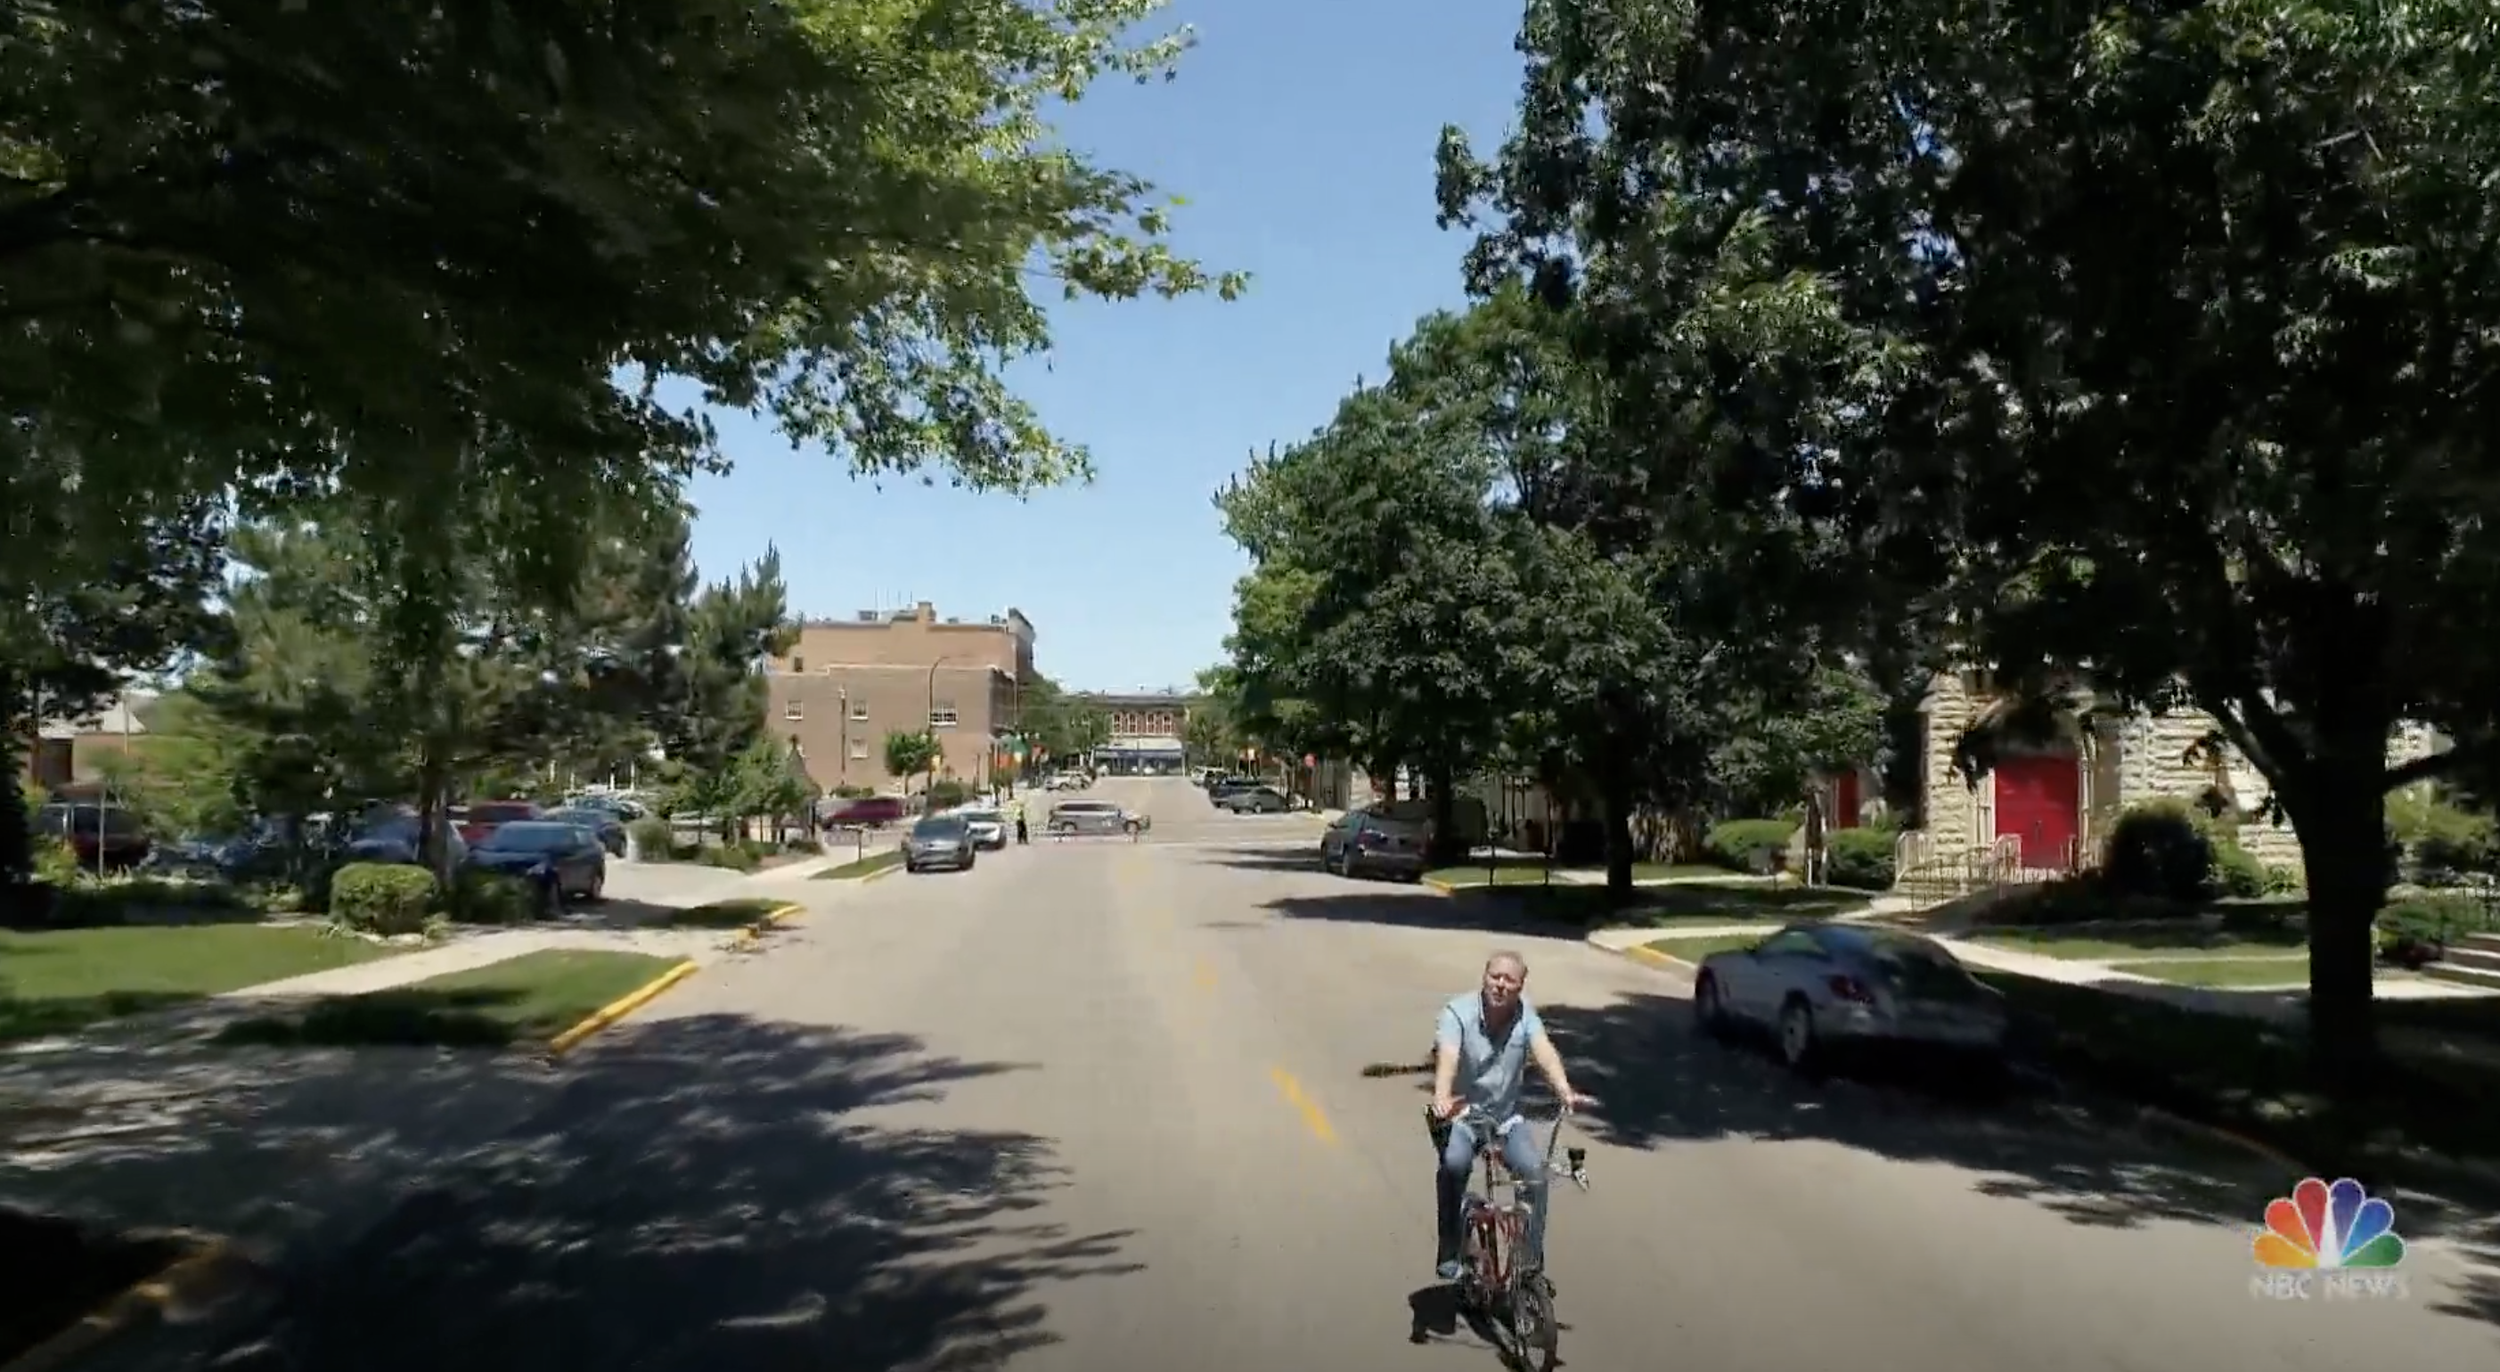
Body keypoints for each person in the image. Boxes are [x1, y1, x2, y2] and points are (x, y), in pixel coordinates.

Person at [1430, 950, 1595, 1284]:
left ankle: (1529, 1265)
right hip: (1464, 1116)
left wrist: (1564, 1090)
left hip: (1506, 1119)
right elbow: (1447, 1055)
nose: (1501, 985)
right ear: (1484, 976)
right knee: (1454, 1165)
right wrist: (1442, 1096)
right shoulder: (1456, 1013)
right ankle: (1449, 1250)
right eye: (1495, 977)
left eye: (1510, 980)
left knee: (1534, 1175)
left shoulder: (1525, 1016)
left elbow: (1544, 1050)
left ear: (1521, 986)